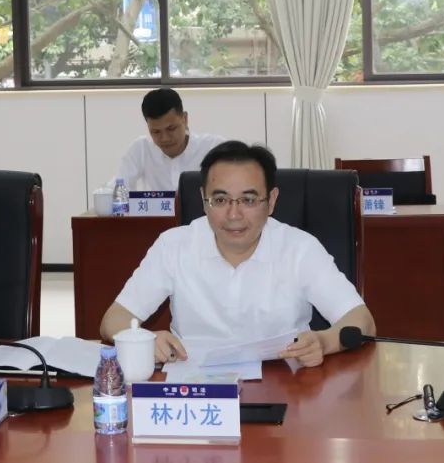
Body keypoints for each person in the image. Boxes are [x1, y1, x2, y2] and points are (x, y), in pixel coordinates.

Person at [100, 140, 375, 367]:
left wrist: (324, 342)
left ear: (271, 201)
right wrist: (144, 341)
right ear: (204, 200)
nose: (234, 214)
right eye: (220, 200)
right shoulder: (174, 245)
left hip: (287, 385)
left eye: (249, 200)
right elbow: (114, 320)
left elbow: (362, 321)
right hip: (195, 389)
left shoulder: (300, 248)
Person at [113, 88, 224, 191]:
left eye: (171, 128)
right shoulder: (141, 149)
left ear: (185, 119)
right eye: (156, 132)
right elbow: (117, 190)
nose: (165, 138)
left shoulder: (214, 148)